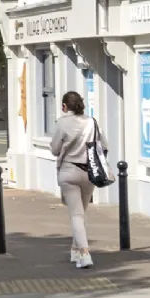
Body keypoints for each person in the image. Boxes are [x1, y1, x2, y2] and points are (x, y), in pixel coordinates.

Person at [50, 90, 107, 269]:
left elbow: (54, 149)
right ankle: (75, 250)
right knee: (81, 212)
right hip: (90, 171)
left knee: (76, 214)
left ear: (64, 106)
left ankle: (84, 253)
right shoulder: (92, 122)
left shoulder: (61, 123)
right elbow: (104, 145)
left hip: (69, 171)